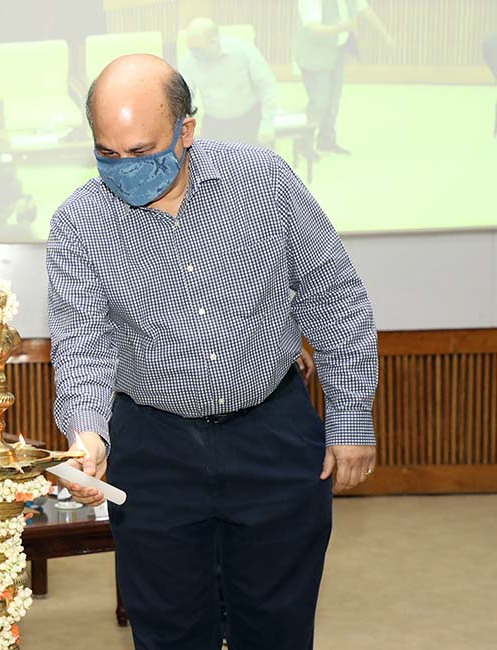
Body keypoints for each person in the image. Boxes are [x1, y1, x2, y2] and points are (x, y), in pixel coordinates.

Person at [46, 54, 378, 649]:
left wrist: (351, 419)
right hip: (153, 447)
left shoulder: (264, 182)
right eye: (108, 154)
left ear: (187, 131)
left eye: (143, 151)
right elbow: (82, 345)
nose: (125, 169)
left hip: (270, 435)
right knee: (169, 629)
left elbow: (334, 295)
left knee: (276, 624)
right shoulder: (78, 222)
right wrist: (88, 433)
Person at [296, 0, 394, 154]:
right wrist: (340, 28)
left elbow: (366, 12)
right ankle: (302, 142)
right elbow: (314, 29)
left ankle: (326, 141)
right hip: (315, 53)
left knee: (333, 99)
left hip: (337, 51)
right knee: (319, 101)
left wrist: (385, 35)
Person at [180, 17, 279, 147]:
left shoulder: (243, 51)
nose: (194, 54)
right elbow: (185, 97)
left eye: (198, 49)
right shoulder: (189, 60)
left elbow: (267, 87)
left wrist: (267, 123)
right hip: (214, 123)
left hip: (248, 120)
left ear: (214, 41)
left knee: (251, 164)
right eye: (191, 49)